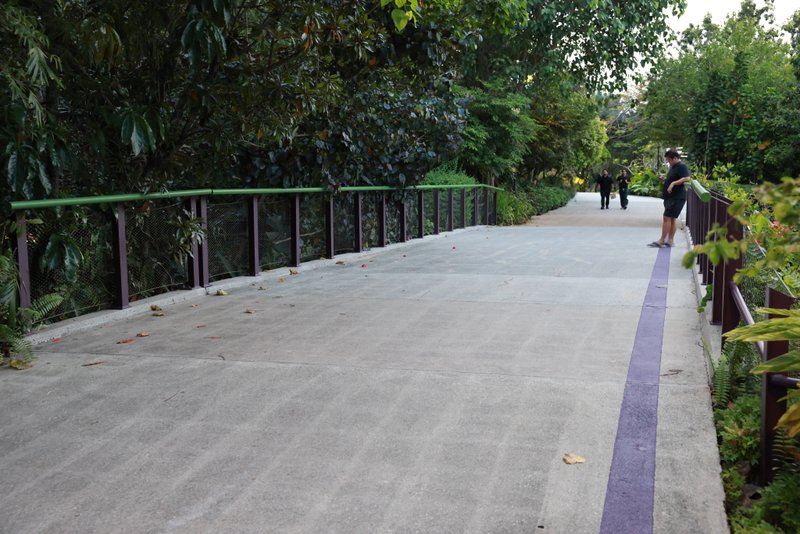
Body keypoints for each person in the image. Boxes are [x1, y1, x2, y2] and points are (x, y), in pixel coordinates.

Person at [648, 149, 691, 248]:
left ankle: (662, 240)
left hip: (676, 197)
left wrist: (673, 183)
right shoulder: (674, 167)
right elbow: (674, 178)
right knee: (671, 219)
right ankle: (670, 240)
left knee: (667, 217)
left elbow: (687, 178)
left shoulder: (681, 166)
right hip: (671, 197)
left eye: (669, 160)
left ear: (675, 158)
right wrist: (665, 179)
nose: (668, 162)